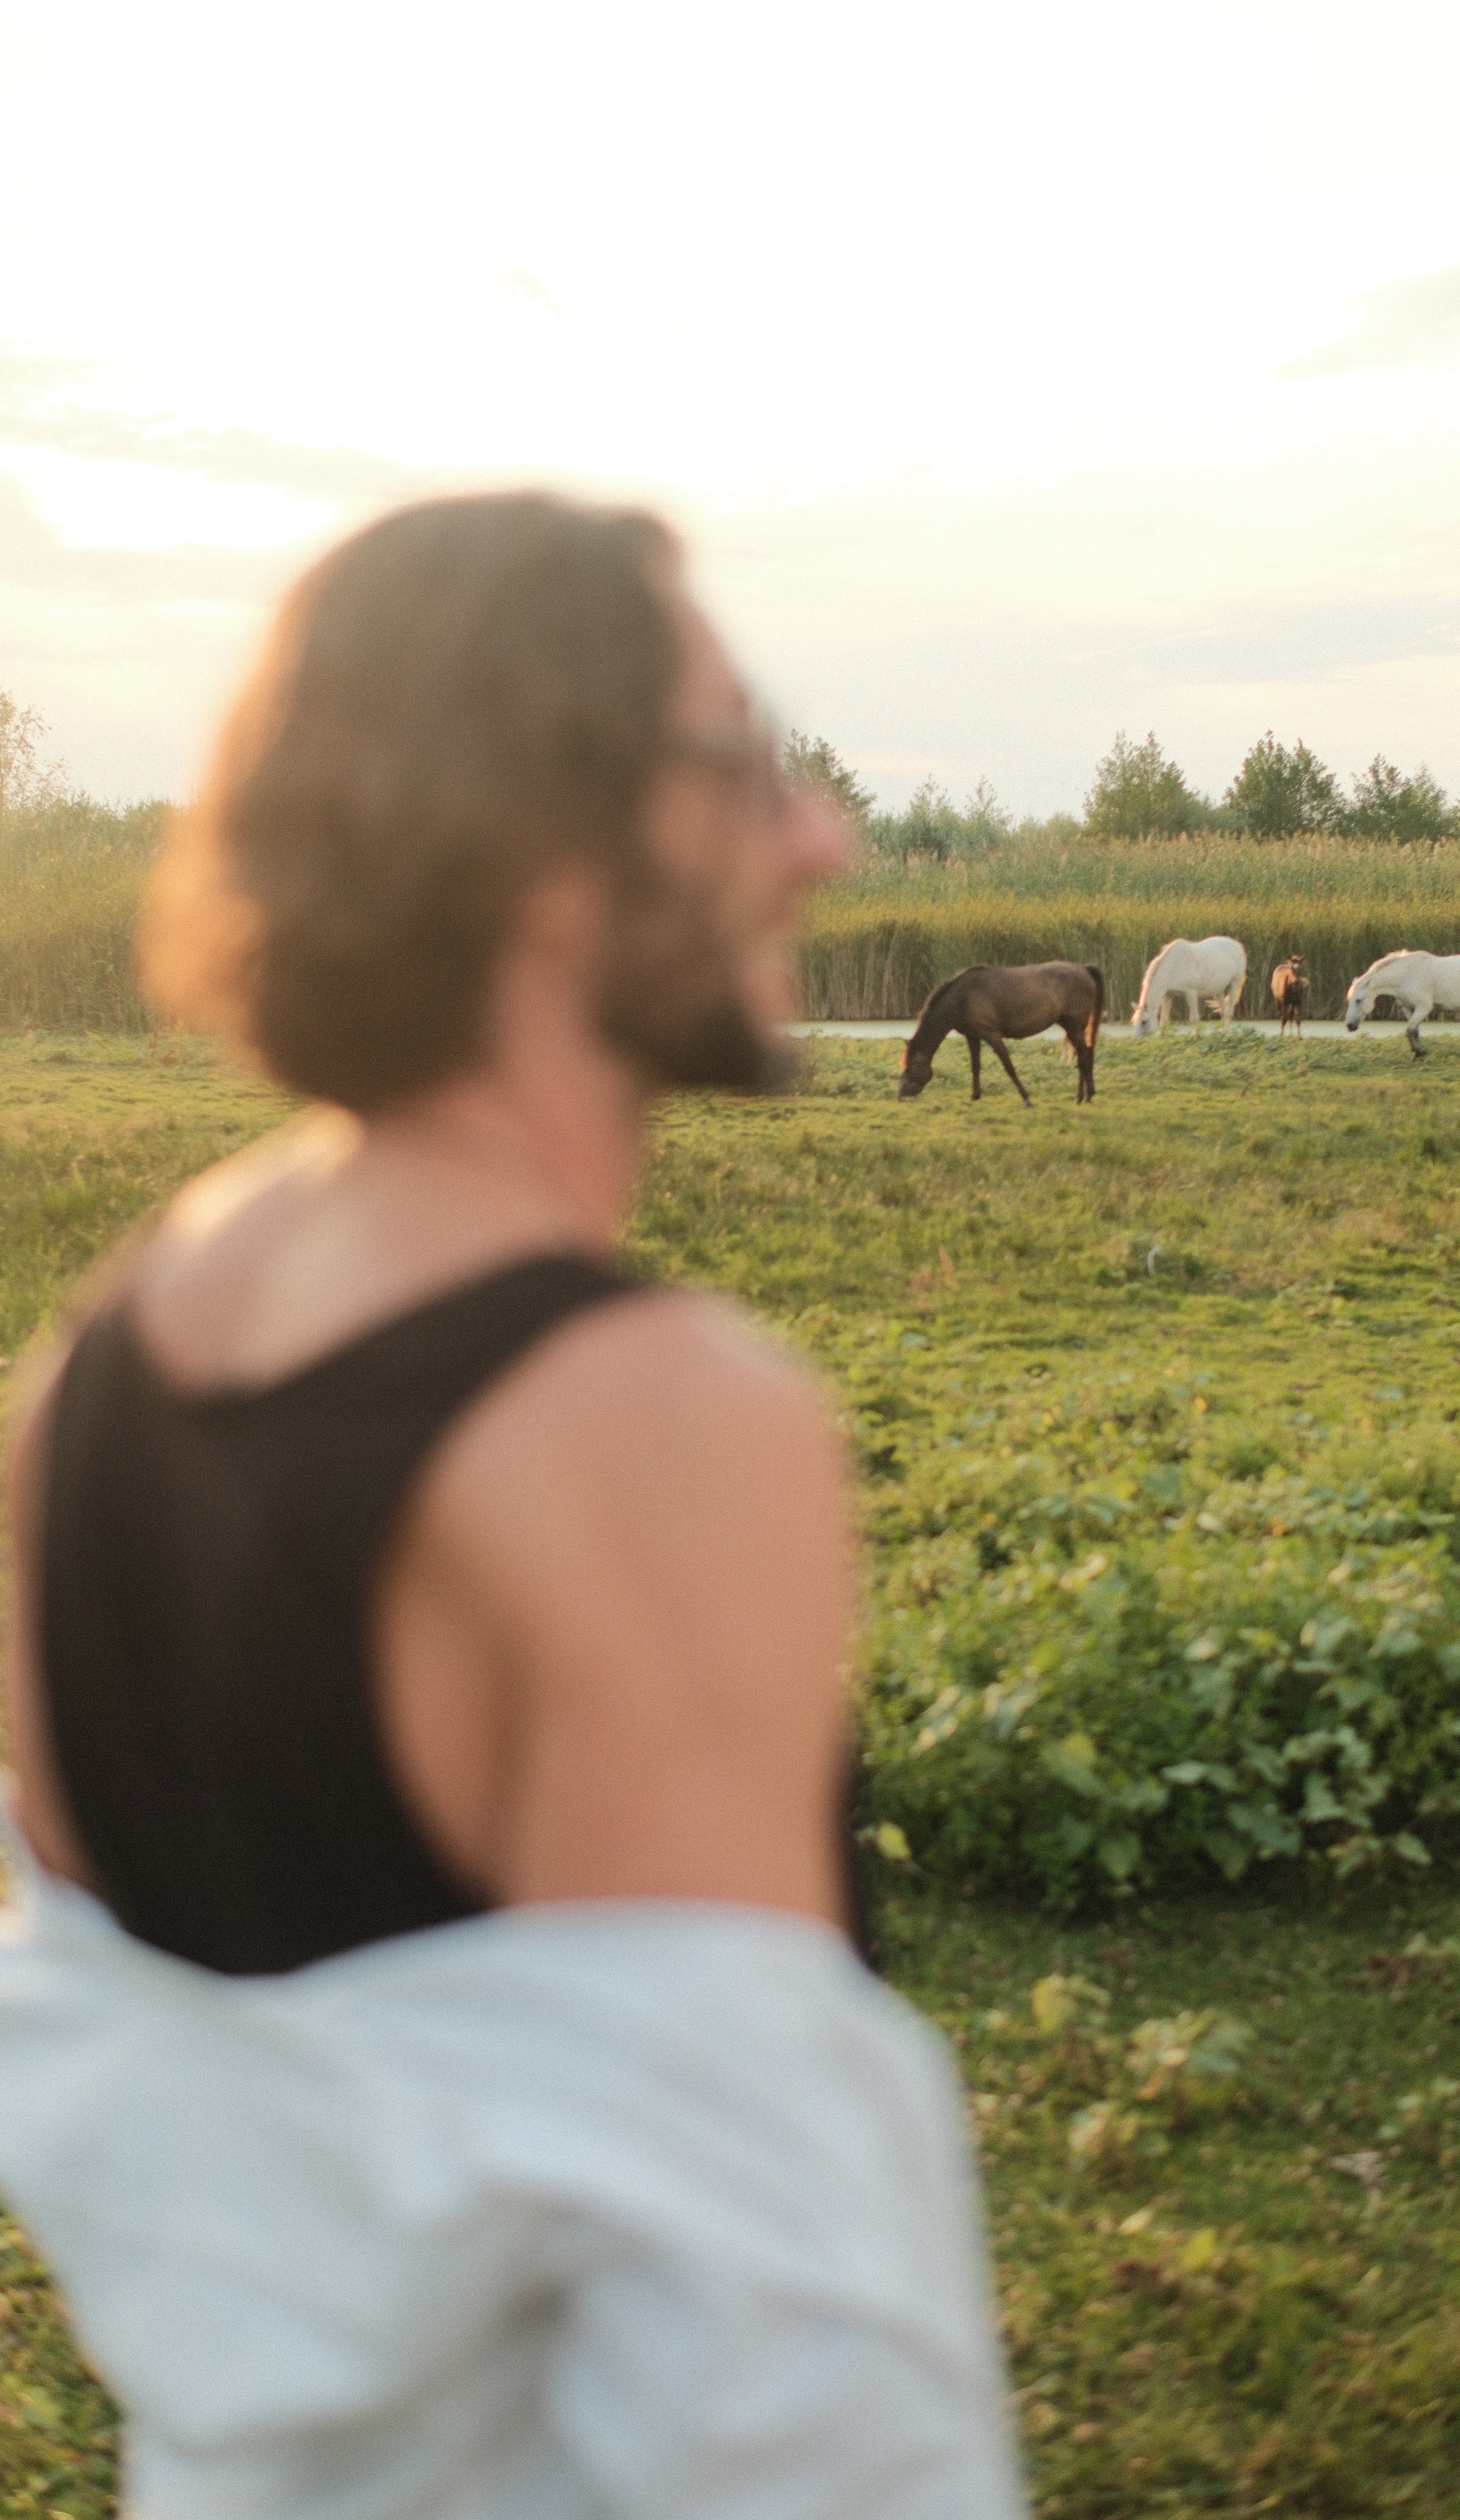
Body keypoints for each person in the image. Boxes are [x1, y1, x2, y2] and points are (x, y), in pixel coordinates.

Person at [0, 492, 1023, 2518]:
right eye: (742, 764)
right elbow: (774, 2363)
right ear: (548, 851)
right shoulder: (649, 1424)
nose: (816, 840)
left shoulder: (87, 1380)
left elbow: (143, 2101)